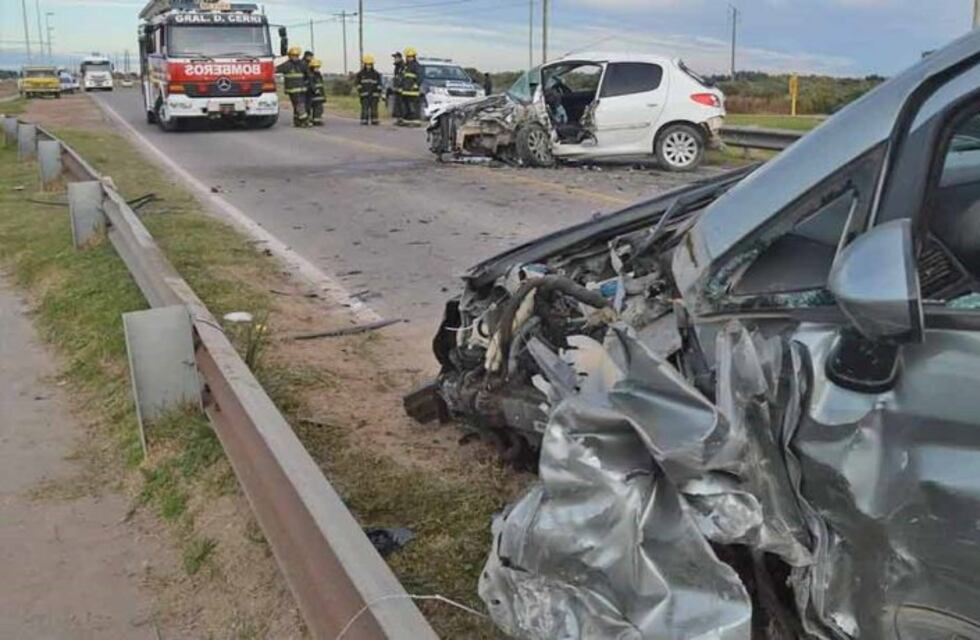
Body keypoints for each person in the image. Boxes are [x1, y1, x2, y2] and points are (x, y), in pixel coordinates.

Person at [277, 46, 310, 127]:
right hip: (292, 90)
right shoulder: (286, 65)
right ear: (289, 56)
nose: (295, 57)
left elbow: (308, 75)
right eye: (293, 55)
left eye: (296, 56)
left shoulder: (303, 64)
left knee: (297, 105)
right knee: (299, 104)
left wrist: (307, 84)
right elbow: (275, 69)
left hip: (302, 89)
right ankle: (304, 121)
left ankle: (297, 121)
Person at [355, 54, 382, 126]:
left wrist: (378, 92)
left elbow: (379, 85)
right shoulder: (360, 74)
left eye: (370, 64)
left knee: (374, 109)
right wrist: (361, 91)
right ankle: (364, 120)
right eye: (367, 64)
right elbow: (357, 84)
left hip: (374, 95)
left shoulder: (376, 74)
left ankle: (374, 120)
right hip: (364, 95)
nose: (368, 66)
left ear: (372, 65)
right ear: (364, 64)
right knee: (365, 108)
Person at [399, 47, 422, 126]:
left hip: (413, 91)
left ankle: (415, 121)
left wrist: (416, 84)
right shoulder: (405, 66)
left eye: (410, 57)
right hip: (405, 91)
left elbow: (420, 77)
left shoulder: (416, 66)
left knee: (413, 107)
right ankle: (407, 121)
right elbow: (403, 78)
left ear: (414, 57)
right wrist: (400, 87)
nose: (409, 58)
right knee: (406, 107)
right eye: (408, 57)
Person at [307, 58, 326, 126]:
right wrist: (315, 90)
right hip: (312, 95)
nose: (317, 69)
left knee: (319, 109)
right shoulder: (310, 75)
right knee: (309, 108)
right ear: (312, 67)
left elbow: (321, 85)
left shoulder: (319, 74)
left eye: (318, 67)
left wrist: (323, 96)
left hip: (319, 95)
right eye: (316, 67)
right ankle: (309, 120)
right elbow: (311, 84)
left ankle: (317, 121)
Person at [391, 51, 405, 121]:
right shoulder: (397, 66)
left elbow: (402, 77)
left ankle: (401, 118)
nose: (395, 59)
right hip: (397, 88)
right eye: (394, 58)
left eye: (396, 58)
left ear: (400, 58)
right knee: (397, 104)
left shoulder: (402, 66)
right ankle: (398, 118)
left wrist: (400, 86)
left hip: (401, 89)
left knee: (401, 104)